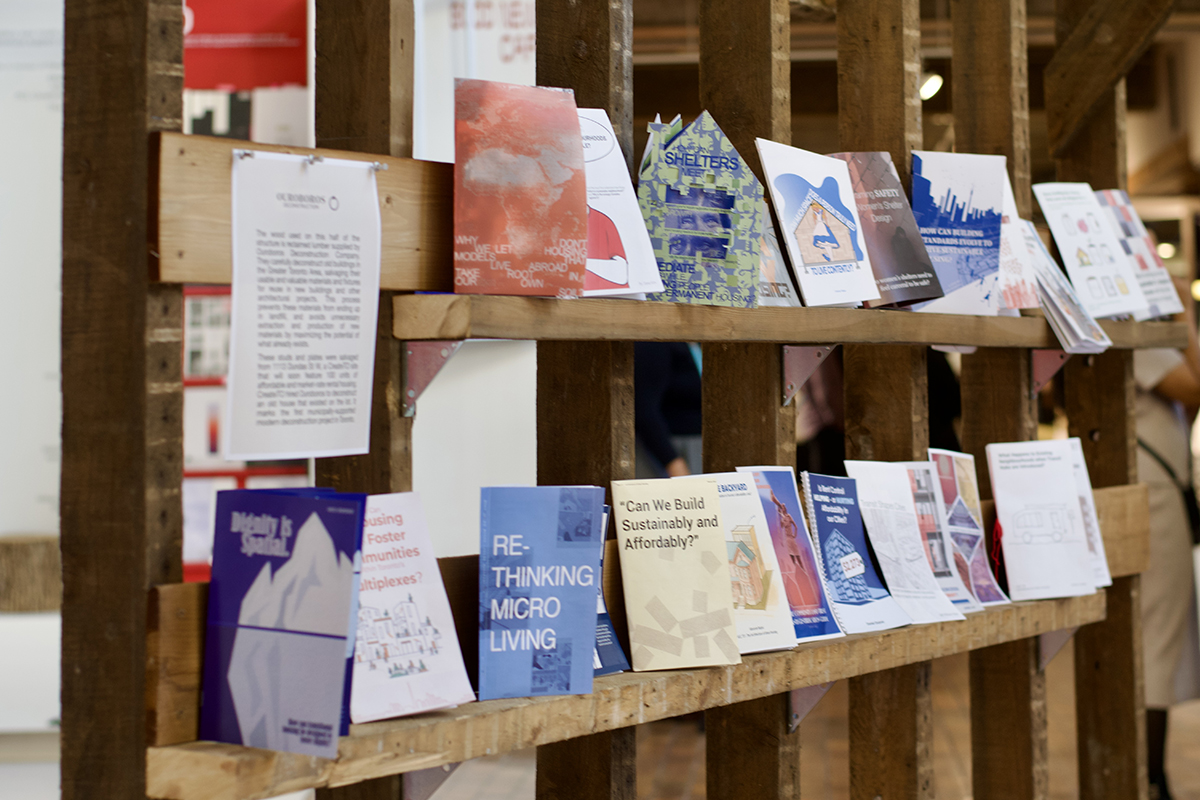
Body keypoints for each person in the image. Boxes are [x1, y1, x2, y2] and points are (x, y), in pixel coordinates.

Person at [1134, 279, 1200, 800]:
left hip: (1161, 491)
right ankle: (1149, 776)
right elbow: (1195, 388)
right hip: (1153, 499)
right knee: (1155, 641)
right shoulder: (1136, 328)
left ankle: (1151, 774)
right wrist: (1185, 318)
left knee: (1160, 638)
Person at [634, 342, 702, 477]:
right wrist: (673, 463)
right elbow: (644, 409)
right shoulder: (656, 344)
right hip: (674, 448)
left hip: (700, 446)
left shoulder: (697, 344)